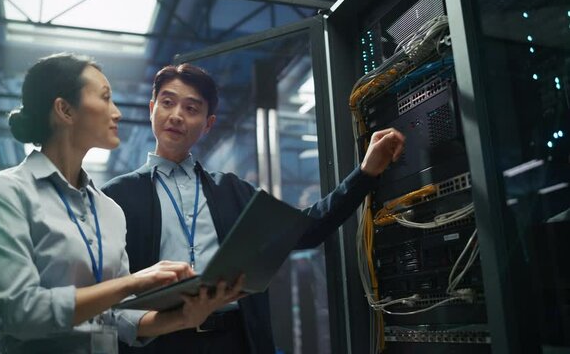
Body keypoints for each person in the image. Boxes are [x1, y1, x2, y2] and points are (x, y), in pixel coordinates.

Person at [100, 63, 405, 353]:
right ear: (152, 109)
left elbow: (305, 231)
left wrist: (365, 174)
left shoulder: (231, 189)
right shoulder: (115, 197)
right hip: (160, 341)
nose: (177, 115)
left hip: (236, 339)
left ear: (208, 125)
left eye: (191, 108)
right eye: (167, 103)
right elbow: (109, 293)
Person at [0, 54, 243, 354]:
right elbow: (23, 314)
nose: (117, 113)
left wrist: (183, 317)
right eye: (105, 98)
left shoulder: (108, 209)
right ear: (65, 110)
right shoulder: (6, 192)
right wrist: (132, 284)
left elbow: (117, 316)